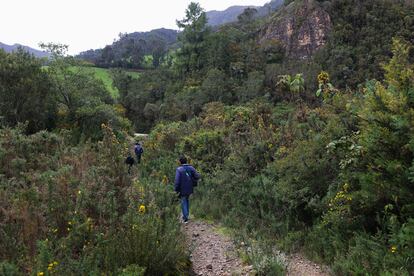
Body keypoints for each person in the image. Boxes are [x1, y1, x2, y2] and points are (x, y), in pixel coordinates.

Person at [174, 156, 200, 223]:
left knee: (183, 201)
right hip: (190, 188)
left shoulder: (179, 169)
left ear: (180, 162)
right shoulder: (191, 168)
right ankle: (186, 215)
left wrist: (176, 189)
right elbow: (197, 176)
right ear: (186, 161)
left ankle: (185, 218)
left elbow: (177, 181)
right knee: (187, 200)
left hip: (182, 189)